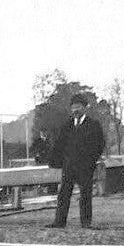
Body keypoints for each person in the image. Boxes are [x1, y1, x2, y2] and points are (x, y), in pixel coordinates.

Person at [47, 94, 106, 228]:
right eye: (73, 108)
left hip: (85, 167)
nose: (75, 110)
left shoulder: (93, 125)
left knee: (85, 195)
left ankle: (86, 222)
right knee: (63, 195)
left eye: (78, 107)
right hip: (69, 166)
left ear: (85, 108)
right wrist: (57, 161)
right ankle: (59, 221)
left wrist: (91, 162)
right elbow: (59, 145)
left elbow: (99, 145)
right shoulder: (67, 126)